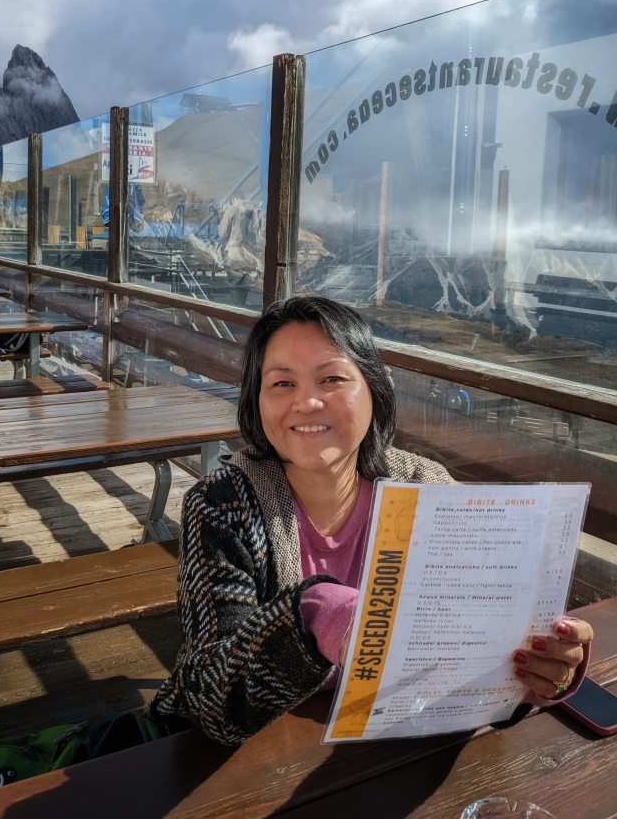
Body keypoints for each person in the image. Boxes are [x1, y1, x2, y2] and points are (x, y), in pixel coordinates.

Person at [148, 295, 593, 746]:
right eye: (282, 383)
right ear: (256, 401)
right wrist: (317, 615)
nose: (307, 402)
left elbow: (477, 647)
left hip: (392, 747)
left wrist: (535, 674)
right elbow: (208, 700)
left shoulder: (428, 490)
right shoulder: (223, 506)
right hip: (260, 755)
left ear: (374, 390)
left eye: (332, 379)